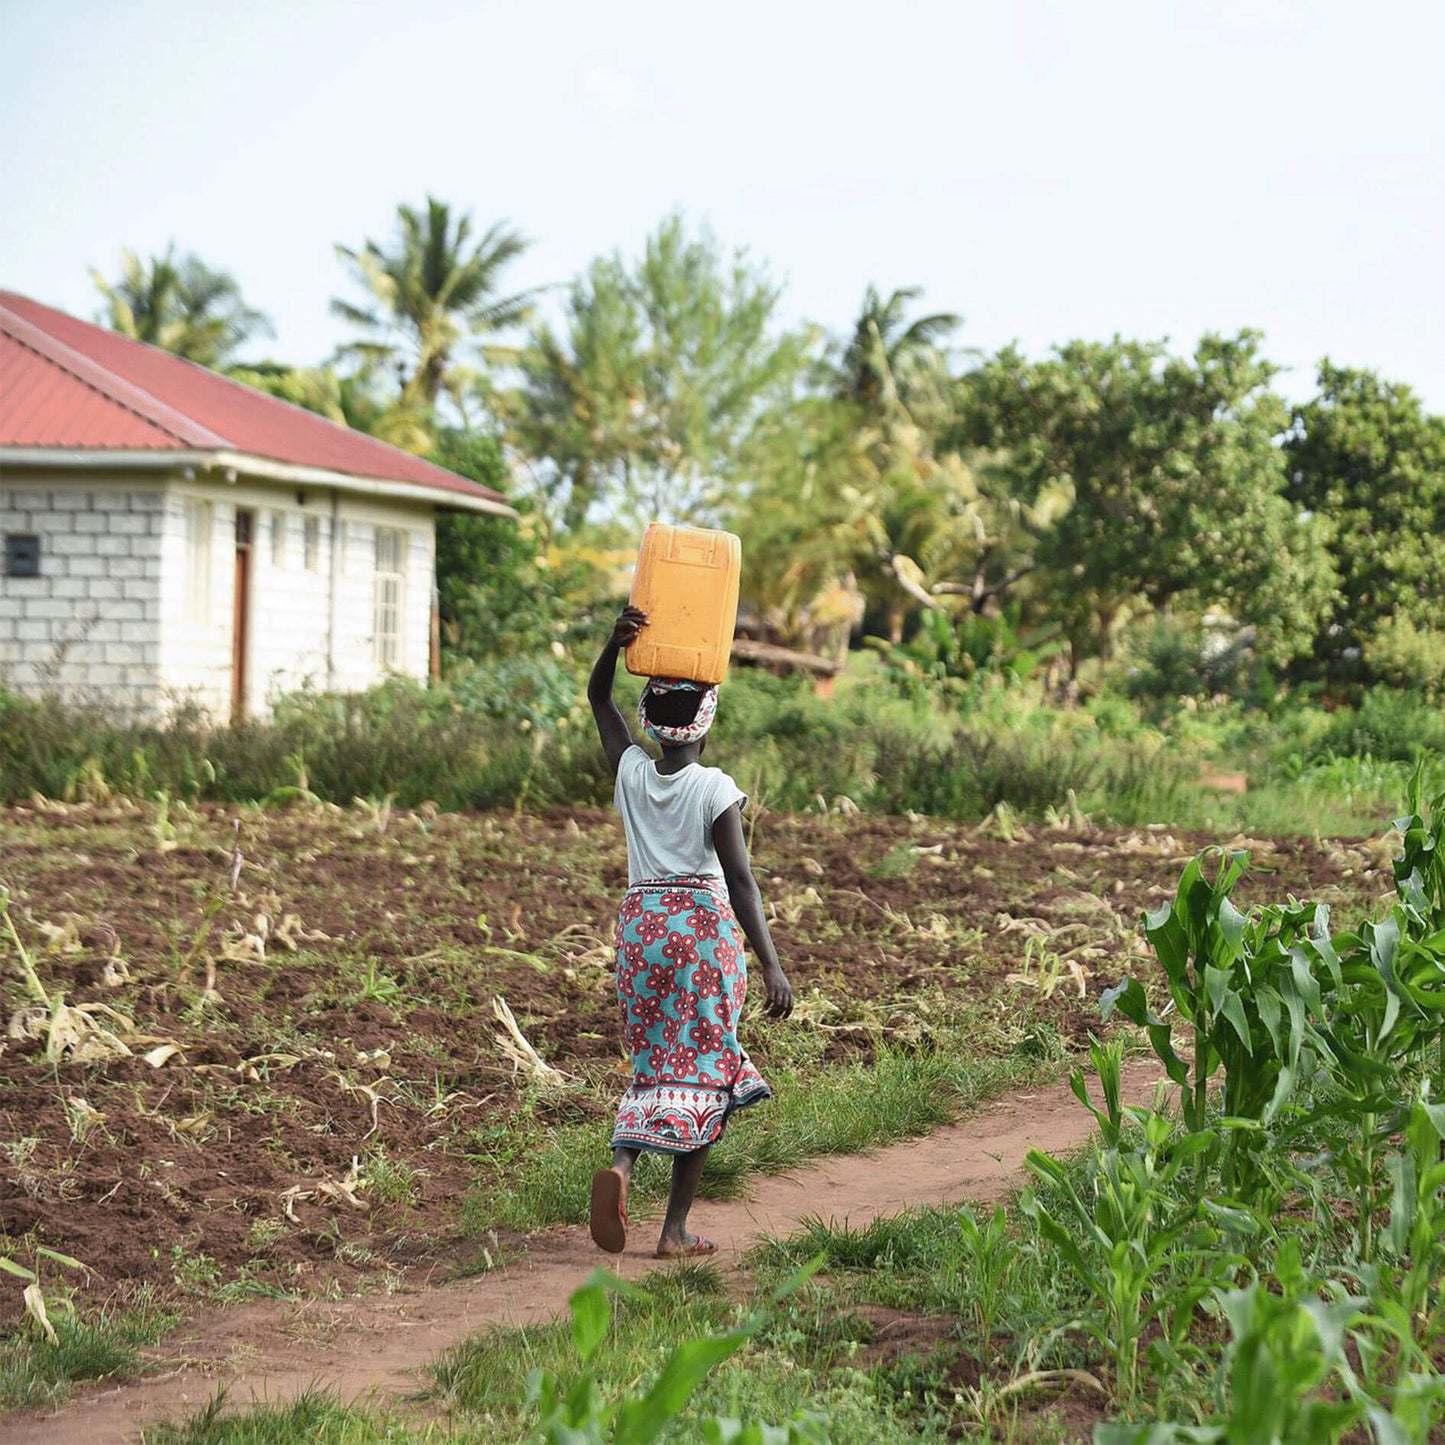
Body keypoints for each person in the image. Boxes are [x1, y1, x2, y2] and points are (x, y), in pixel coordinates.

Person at [586, 603, 793, 1258]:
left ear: (650, 717)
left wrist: (612, 648)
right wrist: (770, 963)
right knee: (708, 1070)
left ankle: (620, 1168)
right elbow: (740, 881)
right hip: (701, 935)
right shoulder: (714, 788)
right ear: (707, 720)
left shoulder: (631, 772)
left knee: (653, 1066)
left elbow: (597, 698)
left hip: (641, 932)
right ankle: (672, 1228)